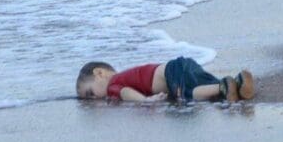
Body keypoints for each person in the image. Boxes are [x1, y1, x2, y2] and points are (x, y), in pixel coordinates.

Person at [76, 57, 255, 102]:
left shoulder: (113, 85)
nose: (93, 99)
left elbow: (125, 93)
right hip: (180, 65)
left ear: (99, 73)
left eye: (90, 93)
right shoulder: (126, 75)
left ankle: (223, 87)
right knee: (205, 84)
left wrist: (145, 100)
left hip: (171, 72)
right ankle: (237, 83)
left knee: (187, 94)